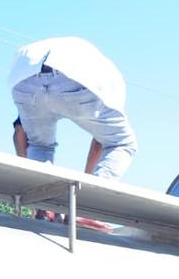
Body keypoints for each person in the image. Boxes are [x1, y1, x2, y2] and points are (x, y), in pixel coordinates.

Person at [8, 36, 138, 181]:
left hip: (23, 74)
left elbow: (19, 132)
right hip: (74, 72)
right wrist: (86, 186)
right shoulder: (109, 86)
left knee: (39, 145)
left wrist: (30, 174)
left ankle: (40, 199)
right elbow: (100, 143)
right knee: (122, 143)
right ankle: (93, 196)